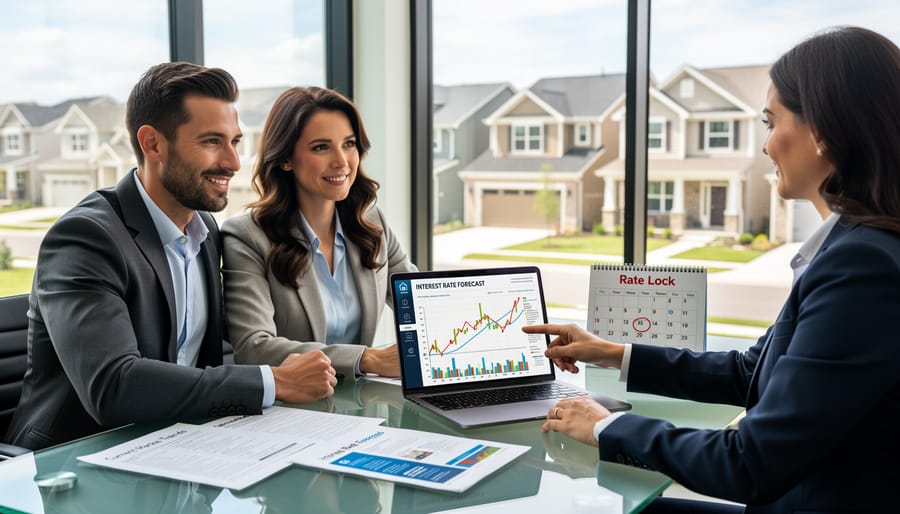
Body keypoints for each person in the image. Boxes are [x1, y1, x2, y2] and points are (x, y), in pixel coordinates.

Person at [524, 26, 900, 513]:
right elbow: (753, 371)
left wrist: (604, 425)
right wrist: (614, 353)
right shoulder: (856, 246)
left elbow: (748, 463)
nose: (765, 147)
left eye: (771, 122)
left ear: (825, 132)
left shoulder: (863, 266)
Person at [6, 62, 338, 451]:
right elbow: (113, 386)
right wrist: (274, 381)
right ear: (153, 144)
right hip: (77, 461)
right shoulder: (85, 238)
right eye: (212, 141)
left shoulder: (206, 231)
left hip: (180, 447)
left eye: (234, 142)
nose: (232, 162)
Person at [221, 86, 416, 380]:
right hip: (288, 410)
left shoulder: (372, 223)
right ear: (286, 159)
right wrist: (368, 358)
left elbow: (418, 303)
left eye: (348, 144)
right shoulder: (247, 236)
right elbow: (253, 347)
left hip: (360, 404)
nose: (341, 161)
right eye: (321, 147)